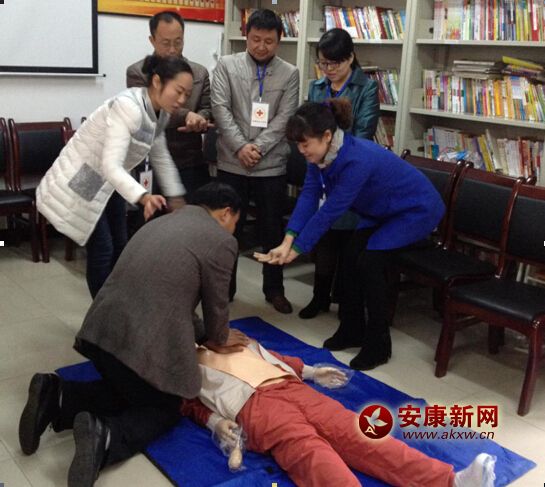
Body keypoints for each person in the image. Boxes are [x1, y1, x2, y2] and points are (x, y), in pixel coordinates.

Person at [19, 182, 250, 487]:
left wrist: (205, 333)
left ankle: (59, 397)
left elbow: (170, 295)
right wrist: (219, 337)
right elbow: (216, 305)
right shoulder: (221, 240)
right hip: (137, 345)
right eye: (235, 223)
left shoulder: (161, 222)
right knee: (164, 408)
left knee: (130, 393)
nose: (233, 230)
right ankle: (106, 438)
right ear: (226, 213)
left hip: (100, 333)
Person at [255, 100, 445, 370]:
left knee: (369, 262)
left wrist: (296, 250)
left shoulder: (357, 159)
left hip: (415, 211)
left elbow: (330, 211)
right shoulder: (319, 156)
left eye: (305, 144)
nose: (301, 150)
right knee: (350, 258)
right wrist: (287, 240)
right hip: (380, 209)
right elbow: (309, 196)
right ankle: (352, 329)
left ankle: (379, 344)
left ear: (327, 136)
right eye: (298, 144)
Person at [181, 339, 496, 487]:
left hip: (290, 387)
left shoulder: (234, 335)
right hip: (252, 404)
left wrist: (311, 371)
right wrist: (215, 421)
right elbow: (186, 402)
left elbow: (275, 357)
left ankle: (449, 482)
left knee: (356, 432)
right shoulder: (179, 361)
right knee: (307, 449)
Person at [37, 54, 190, 298]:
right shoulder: (128, 107)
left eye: (187, 94)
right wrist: (143, 197)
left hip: (111, 181)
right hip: (85, 177)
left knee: (120, 244)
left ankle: (116, 305)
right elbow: (110, 165)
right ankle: (101, 315)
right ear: (157, 82)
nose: (182, 100)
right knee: (103, 249)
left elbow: (160, 155)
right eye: (178, 91)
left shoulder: (160, 113)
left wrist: (175, 195)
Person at [211, 8, 299, 314]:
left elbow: (285, 117)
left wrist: (257, 148)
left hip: (271, 164)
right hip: (231, 161)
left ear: (280, 40)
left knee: (271, 230)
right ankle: (224, 289)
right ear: (246, 36)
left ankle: (274, 288)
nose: (261, 46)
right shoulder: (226, 65)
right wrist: (240, 147)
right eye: (256, 39)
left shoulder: (290, 73)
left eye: (269, 41)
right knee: (226, 229)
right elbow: (220, 108)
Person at [300, 28, 380, 319]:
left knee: (346, 238)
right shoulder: (317, 87)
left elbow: (363, 133)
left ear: (350, 58)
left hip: (350, 171)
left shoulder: (366, 88)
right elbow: (309, 126)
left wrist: (332, 154)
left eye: (335, 63)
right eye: (323, 63)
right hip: (321, 169)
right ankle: (319, 296)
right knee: (324, 235)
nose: (329, 69)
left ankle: (346, 303)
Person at [127, 11, 212, 196]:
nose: (173, 50)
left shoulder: (199, 73)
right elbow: (148, 112)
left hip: (190, 160)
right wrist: (186, 115)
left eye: (178, 42)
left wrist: (200, 119)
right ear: (152, 40)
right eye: (166, 43)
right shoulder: (138, 73)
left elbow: (207, 108)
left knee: (193, 212)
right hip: (151, 162)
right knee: (152, 213)